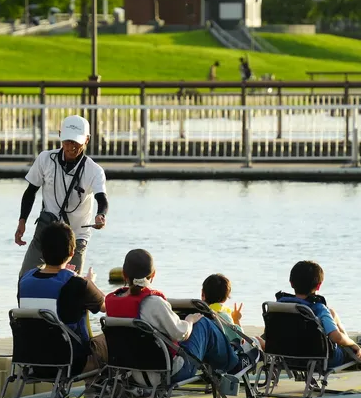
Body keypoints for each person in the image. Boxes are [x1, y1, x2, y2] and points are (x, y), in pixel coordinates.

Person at [105, 249, 250, 383]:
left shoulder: (112, 301)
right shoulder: (153, 302)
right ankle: (234, 364)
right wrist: (190, 320)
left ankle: (229, 358)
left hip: (131, 374)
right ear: (153, 274)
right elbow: (181, 333)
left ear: (124, 274)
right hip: (167, 373)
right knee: (203, 323)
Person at [15, 115, 108, 278]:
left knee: (71, 286)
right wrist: (22, 221)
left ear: (87, 139)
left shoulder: (94, 170)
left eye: (76, 142)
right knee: (26, 277)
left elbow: (101, 198)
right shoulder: (45, 159)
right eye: (67, 141)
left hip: (76, 235)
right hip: (47, 230)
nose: (71, 147)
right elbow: (30, 191)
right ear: (59, 135)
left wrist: (101, 215)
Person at [17, 221, 107, 373]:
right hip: (70, 362)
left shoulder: (24, 281)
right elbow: (107, 306)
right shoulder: (77, 283)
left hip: (32, 362)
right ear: (72, 253)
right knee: (113, 339)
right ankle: (97, 390)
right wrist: (89, 283)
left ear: (41, 251)